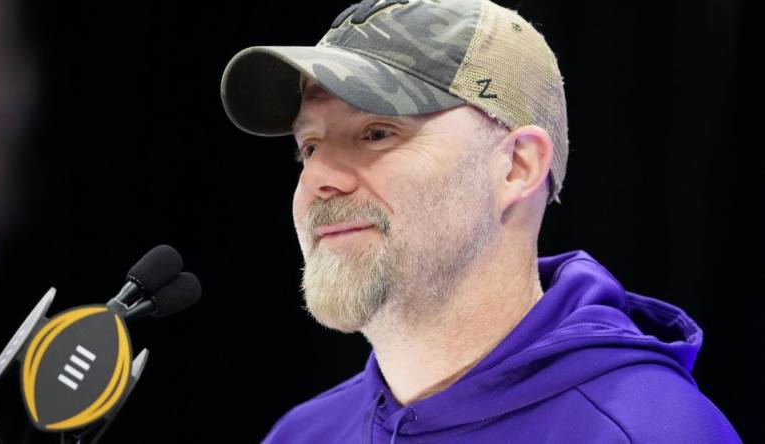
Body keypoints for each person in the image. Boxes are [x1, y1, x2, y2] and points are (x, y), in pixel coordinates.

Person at [220, 0, 742, 442]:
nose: (318, 179)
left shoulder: (650, 430)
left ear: (517, 166)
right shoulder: (303, 433)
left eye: (377, 133)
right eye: (308, 147)